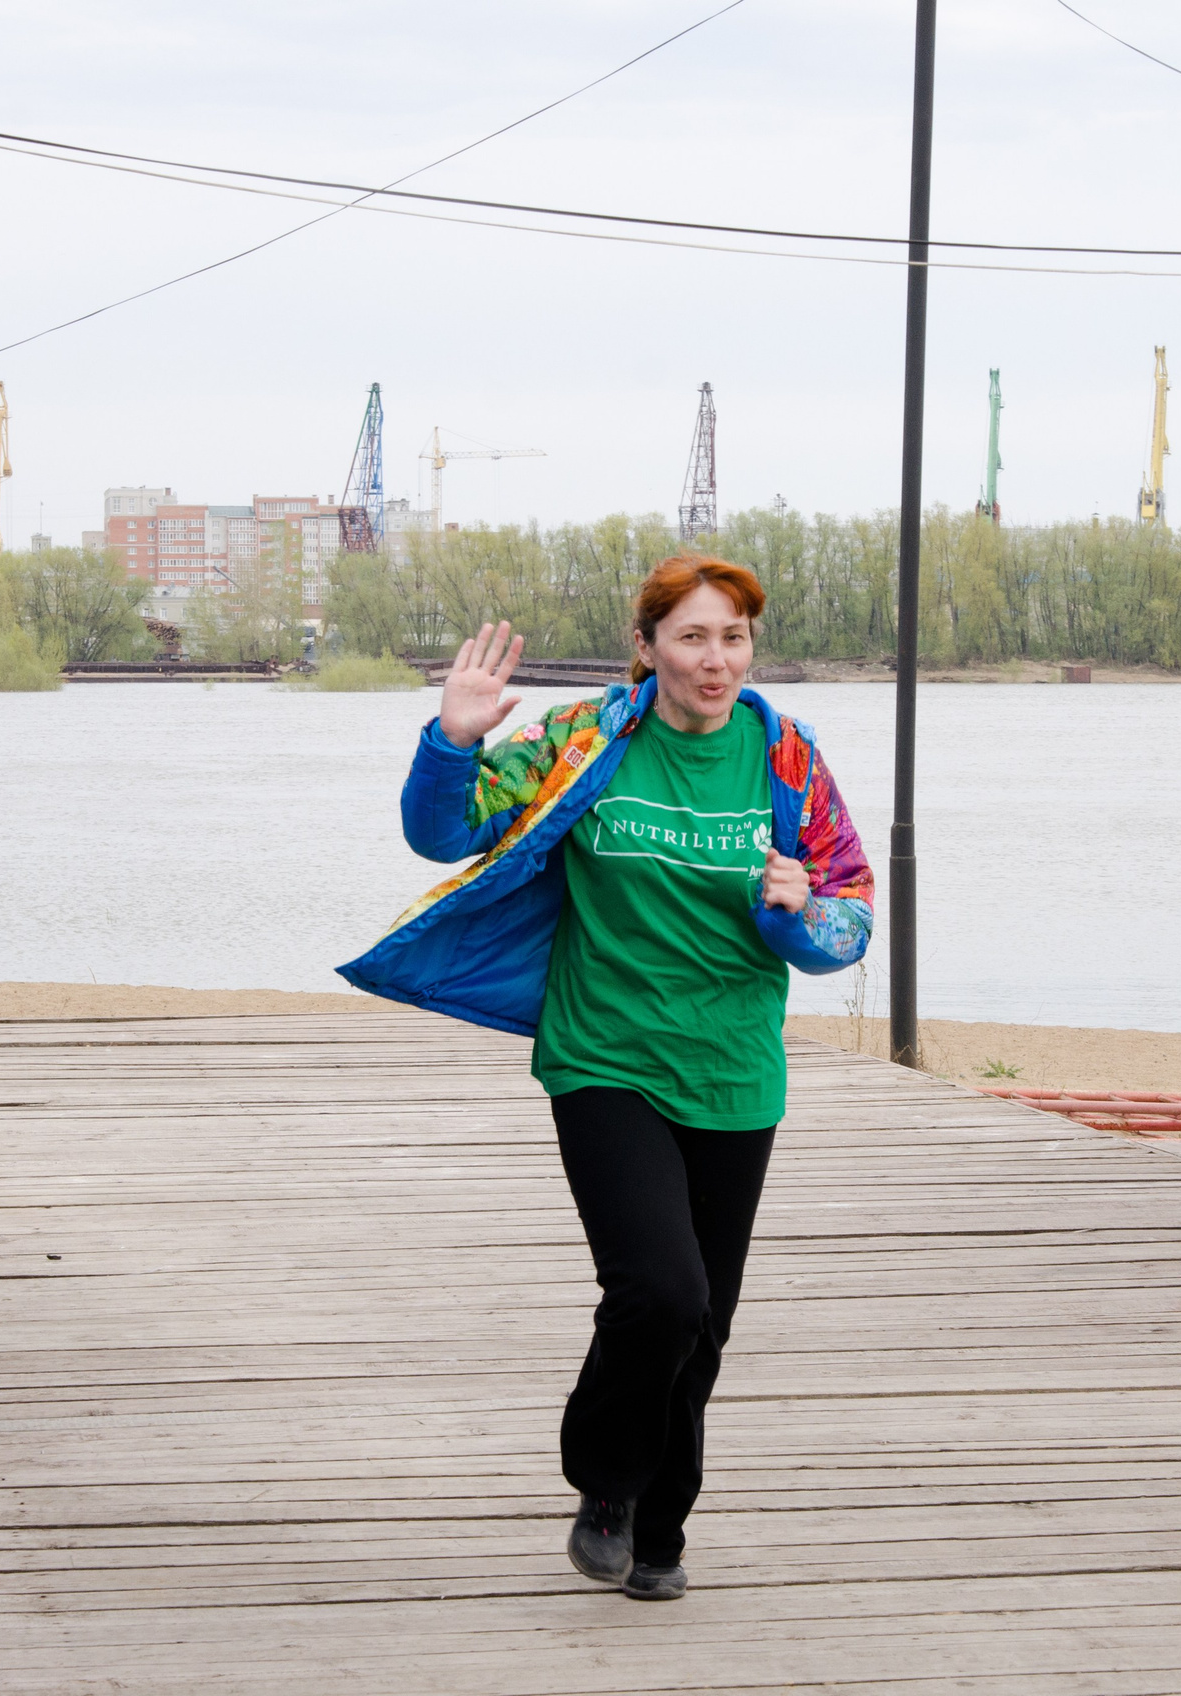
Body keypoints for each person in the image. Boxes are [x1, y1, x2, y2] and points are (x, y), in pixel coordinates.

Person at [339, 555, 874, 1601]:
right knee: (659, 1289)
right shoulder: (588, 740)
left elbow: (847, 919)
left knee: (704, 1320)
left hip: (733, 1067)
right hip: (604, 1055)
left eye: (732, 638)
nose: (714, 660)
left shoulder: (788, 758)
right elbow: (443, 832)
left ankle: (662, 1524)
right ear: (647, 647)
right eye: (691, 637)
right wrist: (455, 736)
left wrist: (797, 911)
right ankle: (606, 1486)